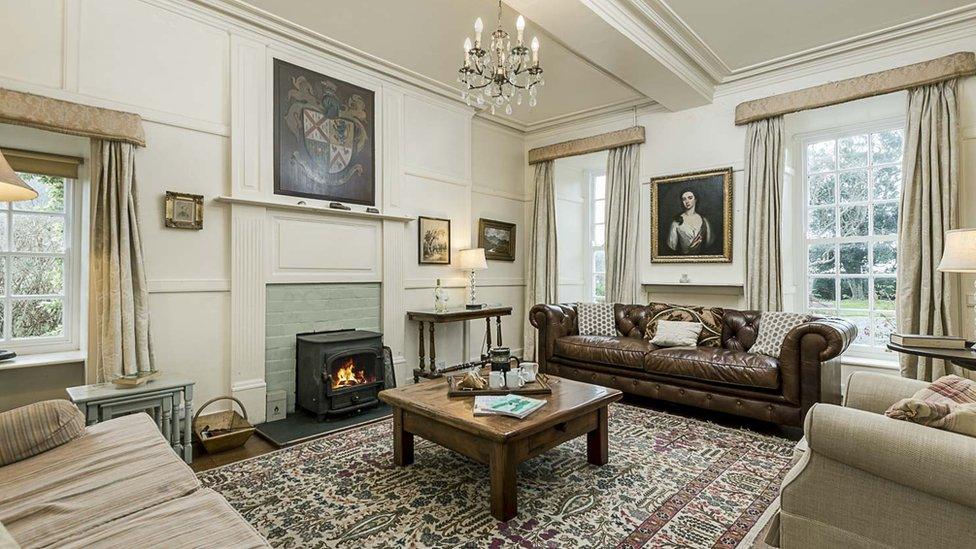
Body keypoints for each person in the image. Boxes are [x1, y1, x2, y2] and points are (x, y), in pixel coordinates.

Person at [667, 189, 714, 254]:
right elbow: (671, 248)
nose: (687, 201)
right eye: (684, 199)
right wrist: (690, 249)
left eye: (690, 198)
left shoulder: (704, 221)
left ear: (695, 199)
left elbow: (710, 245)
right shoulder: (676, 222)